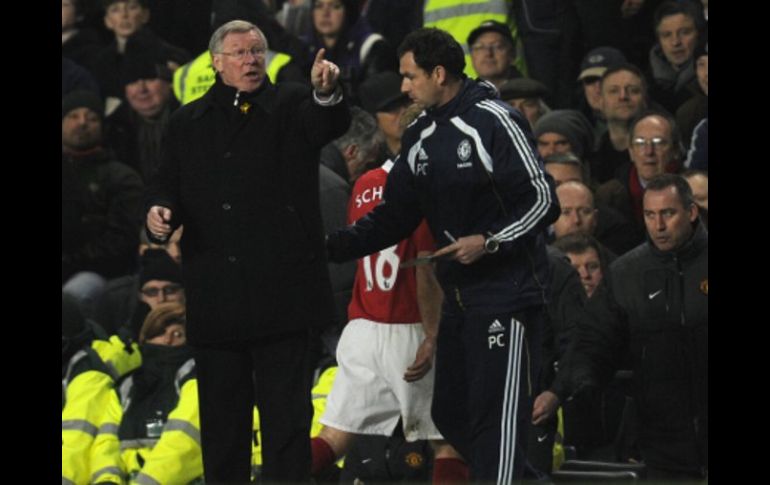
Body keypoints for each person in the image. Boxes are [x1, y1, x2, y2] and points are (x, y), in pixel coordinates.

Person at [326, 27, 560, 481]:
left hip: (506, 295)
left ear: (438, 74)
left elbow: (543, 199)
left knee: (495, 423)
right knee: (450, 413)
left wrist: (490, 241)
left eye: (410, 76)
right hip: (457, 298)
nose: (404, 87)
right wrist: (332, 246)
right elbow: (395, 216)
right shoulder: (420, 133)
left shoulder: (495, 119)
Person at [145, 19, 351, 483]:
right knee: (222, 428)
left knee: (287, 424)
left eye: (257, 51)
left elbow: (328, 123)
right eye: (239, 53)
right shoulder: (186, 122)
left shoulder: (293, 103)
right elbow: (164, 184)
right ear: (216, 63)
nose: (251, 60)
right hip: (218, 296)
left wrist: (326, 93)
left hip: (284, 297)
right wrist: (158, 213)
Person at [312, 152, 466, 482]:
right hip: (409, 326)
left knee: (333, 437)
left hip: (362, 329)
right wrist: (432, 336)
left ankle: (274, 476)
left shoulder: (364, 185)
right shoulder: (421, 187)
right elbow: (425, 269)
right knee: (450, 441)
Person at [546, 174, 708, 479]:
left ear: (691, 212)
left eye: (668, 213)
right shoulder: (626, 274)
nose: (659, 225)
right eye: (650, 215)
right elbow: (594, 339)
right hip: (661, 440)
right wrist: (580, 382)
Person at [62, 89, 145, 317]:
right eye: (73, 116)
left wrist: (71, 260)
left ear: (102, 127)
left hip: (98, 275)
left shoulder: (121, 177)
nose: (82, 123)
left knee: (73, 296)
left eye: (91, 118)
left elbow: (120, 241)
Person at [466, 20, 523, 90]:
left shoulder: (529, 92)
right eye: (480, 47)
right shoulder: (464, 94)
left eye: (497, 47)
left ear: (512, 54)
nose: (488, 53)